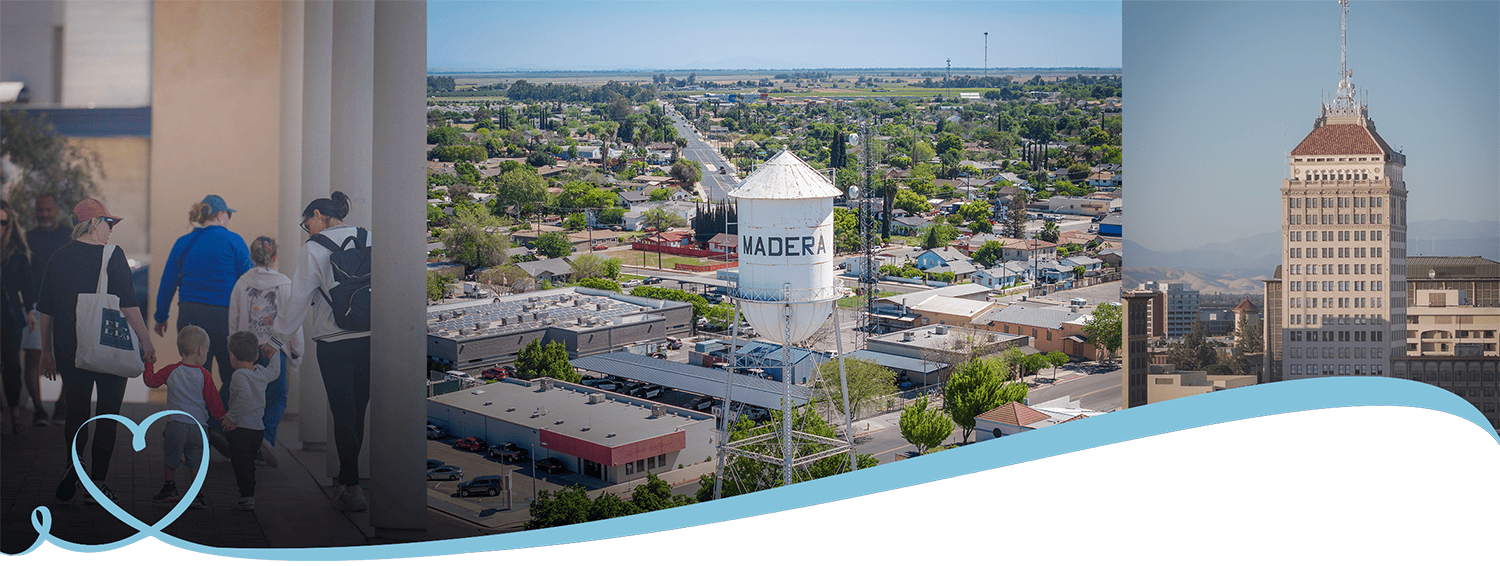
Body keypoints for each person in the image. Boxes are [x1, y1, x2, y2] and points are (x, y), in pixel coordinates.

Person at [38, 199, 157, 503]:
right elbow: (129, 305)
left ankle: (73, 465)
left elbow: (46, 310)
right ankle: (98, 484)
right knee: (107, 414)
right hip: (108, 343)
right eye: (109, 223)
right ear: (93, 223)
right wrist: (146, 342)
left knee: (76, 411)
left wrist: (46, 351)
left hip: (69, 347)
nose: (111, 230)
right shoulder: (112, 255)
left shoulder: (58, 257)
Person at [270, 191, 370, 512]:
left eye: (306, 224)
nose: (307, 231)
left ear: (317, 215)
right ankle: (347, 478)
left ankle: (351, 487)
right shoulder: (370, 237)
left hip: (332, 341)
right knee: (358, 412)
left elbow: (297, 301)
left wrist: (274, 341)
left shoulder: (313, 248)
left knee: (342, 413)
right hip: (370, 337)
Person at [153, 195, 252, 395]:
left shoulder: (184, 242)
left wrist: (161, 317)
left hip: (191, 317)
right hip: (225, 317)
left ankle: (199, 423)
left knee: (195, 377)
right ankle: (220, 421)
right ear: (219, 215)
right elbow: (249, 280)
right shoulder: (234, 241)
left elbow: (168, 282)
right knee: (232, 376)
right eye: (228, 215)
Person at [228, 236, 302, 465]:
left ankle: (247, 445)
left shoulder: (241, 283)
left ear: (252, 256)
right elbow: (292, 321)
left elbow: (233, 320)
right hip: (274, 349)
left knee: (248, 398)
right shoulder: (285, 283)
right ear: (275, 257)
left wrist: (233, 348)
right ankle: (267, 439)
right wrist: (296, 350)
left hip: (248, 348)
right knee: (278, 398)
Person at [142, 325, 229, 509]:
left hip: (176, 425)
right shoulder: (204, 375)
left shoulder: (171, 370)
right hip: (199, 427)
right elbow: (214, 403)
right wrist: (225, 420)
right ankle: (196, 495)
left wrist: (149, 364)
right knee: (196, 460)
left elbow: (151, 381)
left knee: (171, 457)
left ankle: (170, 486)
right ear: (201, 350)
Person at [22, 193, 71, 427]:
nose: (44, 214)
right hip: (34, 306)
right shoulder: (27, 238)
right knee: (32, 356)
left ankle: (62, 405)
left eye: (48, 210)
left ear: (57, 211)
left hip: (64, 306)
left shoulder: (69, 237)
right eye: (40, 210)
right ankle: (39, 410)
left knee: (68, 356)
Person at [223, 331, 280, 512]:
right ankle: (262, 445)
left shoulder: (239, 376)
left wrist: (231, 417)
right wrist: (274, 352)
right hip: (257, 429)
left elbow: (243, 398)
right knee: (249, 464)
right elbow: (275, 371)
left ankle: (247, 496)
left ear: (232, 356)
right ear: (256, 356)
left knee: (241, 465)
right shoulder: (261, 372)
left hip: (241, 428)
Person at [1, 200, 37, 435]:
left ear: (9, 224)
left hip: (9, 317)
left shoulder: (16, 253)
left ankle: (14, 413)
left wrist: (30, 311)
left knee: (12, 367)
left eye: (2, 222)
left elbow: (27, 285)